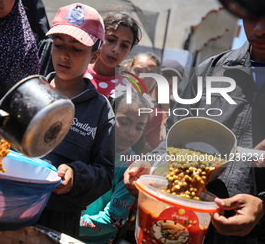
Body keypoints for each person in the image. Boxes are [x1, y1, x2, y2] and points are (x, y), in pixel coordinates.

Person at [124, 16, 265, 242]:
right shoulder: (211, 70)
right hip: (185, 221)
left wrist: (262, 207)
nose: (258, 29)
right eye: (252, 17)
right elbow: (174, 137)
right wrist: (150, 164)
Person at [36, 3, 115, 238]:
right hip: (9, 200)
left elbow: (105, 172)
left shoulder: (100, 110)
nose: (64, 55)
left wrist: (75, 175)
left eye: (77, 49)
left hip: (58, 219)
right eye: (58, 45)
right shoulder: (31, 89)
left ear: (95, 55)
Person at [78, 92, 149, 244]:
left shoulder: (131, 169)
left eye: (139, 127)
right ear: (109, 115)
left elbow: (113, 219)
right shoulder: (85, 145)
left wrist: (71, 223)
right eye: (124, 122)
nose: (131, 132)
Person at [84, 10, 142, 98]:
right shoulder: (77, 72)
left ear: (129, 51)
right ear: (99, 38)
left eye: (124, 45)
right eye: (111, 40)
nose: (116, 50)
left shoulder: (126, 92)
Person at [121, 52, 167, 151]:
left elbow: (153, 150)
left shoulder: (157, 116)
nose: (141, 77)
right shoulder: (112, 95)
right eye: (138, 71)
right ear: (129, 71)